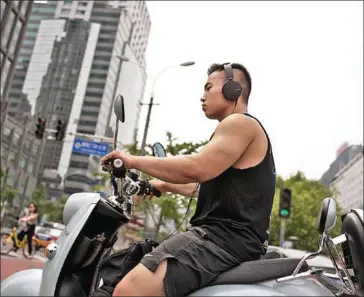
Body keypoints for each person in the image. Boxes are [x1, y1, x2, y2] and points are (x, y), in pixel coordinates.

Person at [101, 62, 276, 297]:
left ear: (232, 90)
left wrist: (130, 160)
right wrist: (159, 185)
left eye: (208, 87)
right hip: (230, 242)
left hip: (220, 241)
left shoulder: (239, 123)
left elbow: (197, 168)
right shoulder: (239, 131)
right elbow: (201, 185)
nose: (202, 97)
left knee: (127, 291)